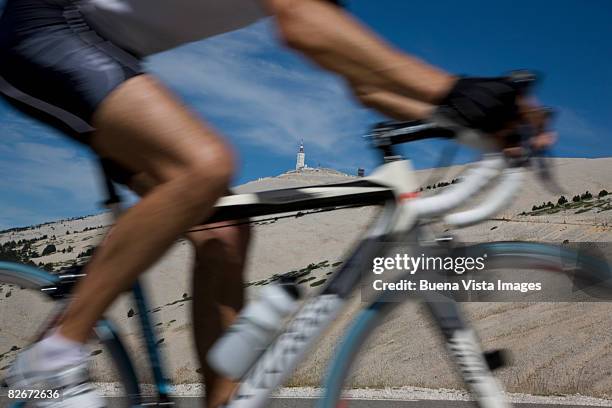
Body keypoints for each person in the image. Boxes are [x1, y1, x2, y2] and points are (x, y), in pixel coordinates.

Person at [0, 0, 553, 406]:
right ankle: (53, 357)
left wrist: (481, 120)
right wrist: (453, 89)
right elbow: (299, 22)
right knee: (206, 163)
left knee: (223, 231)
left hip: (104, 46)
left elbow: (365, 84)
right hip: (48, 25)